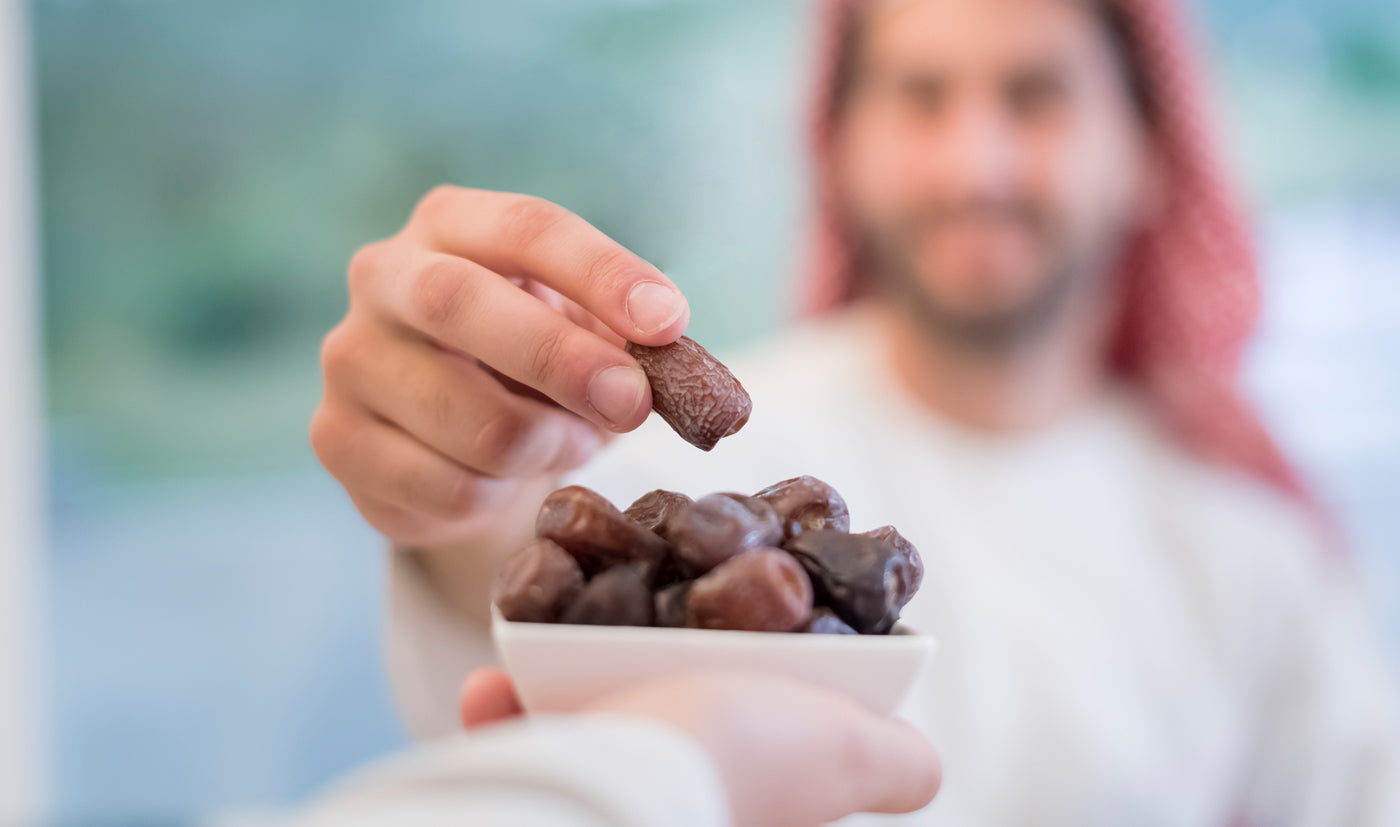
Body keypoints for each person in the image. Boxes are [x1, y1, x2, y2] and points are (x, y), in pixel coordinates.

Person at [310, 0, 1400, 823]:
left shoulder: (1251, 538)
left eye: (1034, 96)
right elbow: (523, 561)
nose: (973, 162)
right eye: (919, 97)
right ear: (839, 147)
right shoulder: (711, 462)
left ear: (1148, 151)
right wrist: (459, 475)